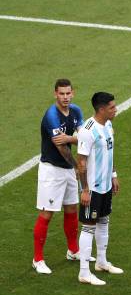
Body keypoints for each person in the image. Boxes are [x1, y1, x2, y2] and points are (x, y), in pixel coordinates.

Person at [32, 79, 88, 275]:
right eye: (61, 94)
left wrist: (70, 138)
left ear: (72, 93)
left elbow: (84, 137)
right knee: (47, 213)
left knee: (71, 208)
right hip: (52, 170)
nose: (65, 97)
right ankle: (37, 259)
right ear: (55, 94)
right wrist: (77, 166)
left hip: (68, 169)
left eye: (68, 93)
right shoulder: (51, 116)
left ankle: (73, 250)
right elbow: (61, 147)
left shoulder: (76, 111)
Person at [76, 92, 123, 286]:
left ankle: (101, 262)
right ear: (101, 109)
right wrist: (85, 190)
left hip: (105, 185)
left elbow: (110, 152)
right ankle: (84, 272)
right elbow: (81, 162)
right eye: (112, 107)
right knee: (88, 227)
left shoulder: (109, 125)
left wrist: (113, 175)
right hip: (93, 188)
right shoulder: (88, 130)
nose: (115, 109)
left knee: (104, 220)